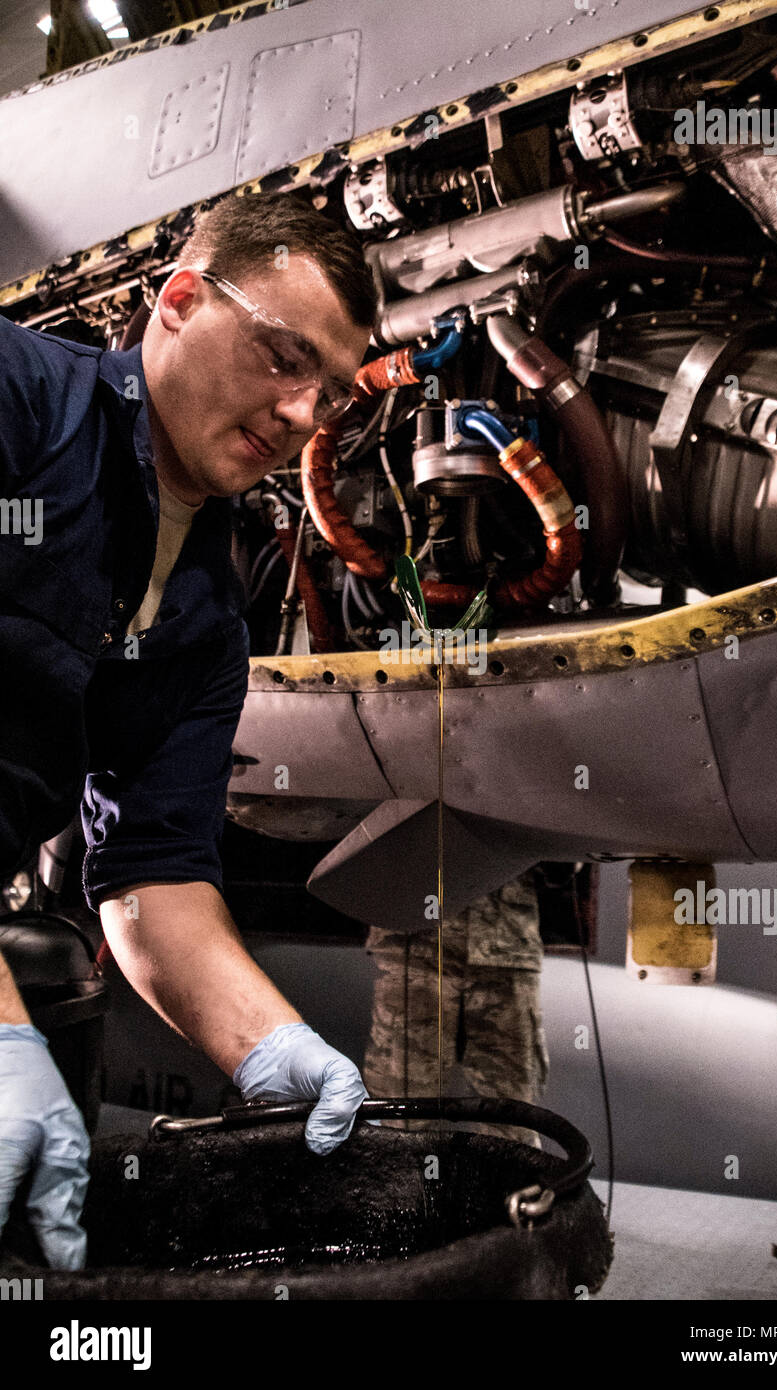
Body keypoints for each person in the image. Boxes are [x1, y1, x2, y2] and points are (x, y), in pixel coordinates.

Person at [0, 193, 375, 1269]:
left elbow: (150, 872)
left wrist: (272, 1043)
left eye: (331, 393)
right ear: (176, 302)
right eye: (282, 357)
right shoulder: (19, 401)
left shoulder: (207, 618)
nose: (305, 414)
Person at [364, 870, 550, 1147]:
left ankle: (512, 1189)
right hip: (415, 940)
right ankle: (402, 1189)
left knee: (514, 1118)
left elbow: (568, 858)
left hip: (505, 942)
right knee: (401, 1116)